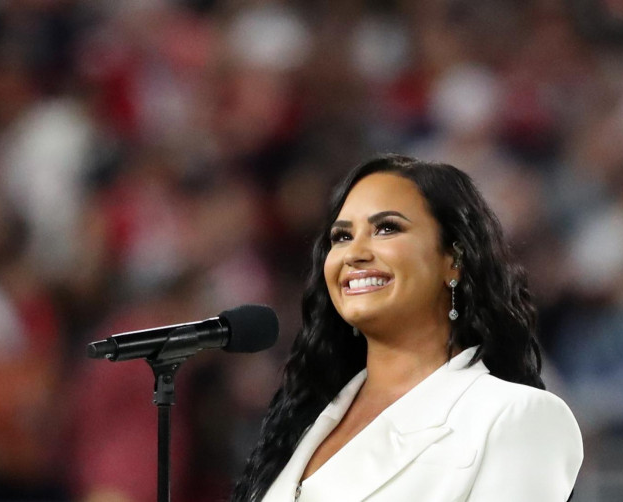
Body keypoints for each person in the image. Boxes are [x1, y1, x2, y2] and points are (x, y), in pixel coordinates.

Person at [231, 154, 583, 502]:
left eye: (387, 228)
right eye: (341, 236)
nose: (354, 253)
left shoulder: (514, 418)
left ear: (454, 260)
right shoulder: (304, 419)